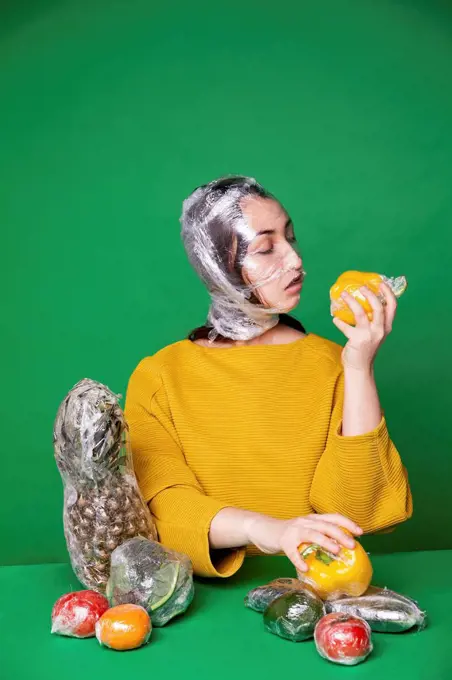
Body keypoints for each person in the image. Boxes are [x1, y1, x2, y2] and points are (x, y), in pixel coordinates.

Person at [125, 175, 412, 579]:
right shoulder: (160, 377)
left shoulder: (334, 362)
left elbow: (357, 511)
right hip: (202, 604)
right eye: (266, 247)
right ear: (217, 265)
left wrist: (359, 366)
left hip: (321, 585)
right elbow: (163, 508)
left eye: (290, 239)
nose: (294, 260)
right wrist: (271, 531)